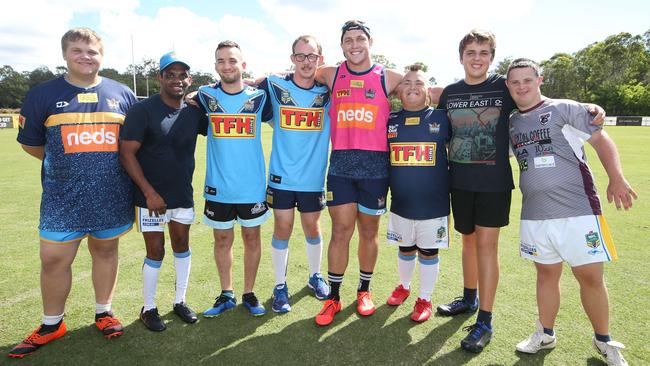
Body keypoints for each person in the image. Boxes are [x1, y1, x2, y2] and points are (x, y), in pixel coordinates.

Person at [435, 29, 605, 353]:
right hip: (458, 182)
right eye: (470, 52)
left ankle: (485, 320)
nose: (476, 58)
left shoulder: (503, 86)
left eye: (483, 52)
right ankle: (469, 299)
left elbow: (537, 98)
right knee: (467, 243)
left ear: (491, 58)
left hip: (493, 185)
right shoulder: (450, 93)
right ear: (461, 57)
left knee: (487, 246)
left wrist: (587, 106)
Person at [9, 27, 137, 358]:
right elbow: (32, 145)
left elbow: (134, 144)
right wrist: (69, 167)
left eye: (92, 51)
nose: (85, 56)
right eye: (77, 50)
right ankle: (52, 324)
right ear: (65, 54)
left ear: (102, 56)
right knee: (53, 259)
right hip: (61, 196)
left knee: (106, 252)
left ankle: (104, 311)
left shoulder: (122, 93)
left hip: (112, 195)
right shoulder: (42, 94)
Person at [507, 58, 635, 366]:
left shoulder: (564, 108)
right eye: (515, 82)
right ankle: (545, 332)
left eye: (528, 79)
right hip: (535, 214)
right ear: (509, 86)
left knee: (590, 276)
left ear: (540, 80)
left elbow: (601, 140)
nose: (522, 86)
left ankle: (603, 340)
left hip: (578, 210)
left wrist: (616, 178)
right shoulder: (511, 121)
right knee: (546, 275)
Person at [313, 20, 404, 326]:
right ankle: (333, 298)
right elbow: (293, 75)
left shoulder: (388, 77)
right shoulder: (330, 73)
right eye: (348, 40)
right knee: (340, 232)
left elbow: (422, 89)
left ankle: (364, 291)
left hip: (376, 168)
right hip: (340, 166)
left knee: (369, 232)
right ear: (341, 45)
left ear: (370, 41)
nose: (354, 45)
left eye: (360, 39)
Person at [119, 52, 207, 331]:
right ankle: (149, 308)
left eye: (182, 75)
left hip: (182, 194)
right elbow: (126, 154)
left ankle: (179, 301)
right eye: (170, 74)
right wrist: (149, 193)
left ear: (189, 79)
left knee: (182, 246)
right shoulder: (142, 111)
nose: (176, 80)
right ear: (159, 77)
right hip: (151, 198)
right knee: (155, 251)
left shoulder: (194, 111)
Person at [196, 40, 272, 317]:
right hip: (218, 187)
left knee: (252, 238)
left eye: (232, 60)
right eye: (221, 61)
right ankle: (226, 293)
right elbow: (189, 97)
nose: (226, 66)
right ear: (215, 65)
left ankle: (249, 293)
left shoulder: (259, 98)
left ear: (243, 64)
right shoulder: (204, 95)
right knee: (222, 241)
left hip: (251, 186)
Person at [257, 35, 331, 313]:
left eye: (311, 56)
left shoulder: (328, 92)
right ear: (292, 60)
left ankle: (315, 276)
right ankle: (280, 285)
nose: (306, 62)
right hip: (281, 175)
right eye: (300, 56)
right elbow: (249, 85)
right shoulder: (276, 86)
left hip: (313, 177)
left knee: (313, 228)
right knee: (283, 228)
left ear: (320, 60)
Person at [384, 65, 450, 323]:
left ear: (429, 90)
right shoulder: (390, 120)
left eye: (419, 83)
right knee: (405, 246)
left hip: (433, 204)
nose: (413, 86)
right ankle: (404, 285)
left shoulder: (443, 118)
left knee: (429, 251)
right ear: (398, 91)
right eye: (407, 82)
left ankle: (425, 298)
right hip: (401, 202)